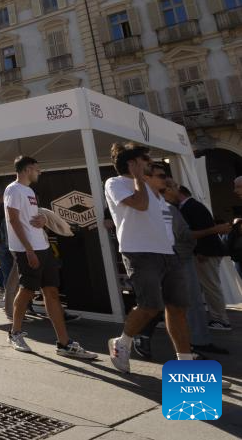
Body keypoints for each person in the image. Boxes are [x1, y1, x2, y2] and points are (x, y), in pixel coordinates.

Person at [104, 143, 193, 373]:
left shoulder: (148, 187)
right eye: (145, 159)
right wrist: (137, 178)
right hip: (139, 252)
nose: (149, 164)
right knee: (150, 306)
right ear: (131, 163)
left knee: (178, 308)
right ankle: (122, 342)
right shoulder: (115, 183)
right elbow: (140, 205)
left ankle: (186, 367)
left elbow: (161, 217)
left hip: (167, 254)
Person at [6, 155, 96, 359]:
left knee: (52, 293)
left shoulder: (29, 191)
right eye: (37, 169)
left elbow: (31, 217)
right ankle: (15, 333)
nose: (39, 172)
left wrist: (44, 218)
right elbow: (13, 220)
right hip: (27, 249)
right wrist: (28, 249)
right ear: (27, 169)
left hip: (43, 247)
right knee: (27, 291)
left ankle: (64, 344)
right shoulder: (13, 189)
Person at [133, 166, 227, 360]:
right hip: (167, 260)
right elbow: (182, 235)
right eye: (168, 183)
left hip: (177, 259)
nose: (174, 188)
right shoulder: (154, 207)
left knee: (177, 306)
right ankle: (134, 337)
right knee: (163, 305)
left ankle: (187, 352)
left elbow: (180, 235)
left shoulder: (171, 209)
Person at [176, 185, 232, 332]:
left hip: (206, 253)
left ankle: (221, 320)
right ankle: (215, 317)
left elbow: (202, 230)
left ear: (180, 193)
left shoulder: (191, 207)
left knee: (211, 286)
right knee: (206, 286)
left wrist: (201, 251)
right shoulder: (191, 206)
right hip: (206, 252)